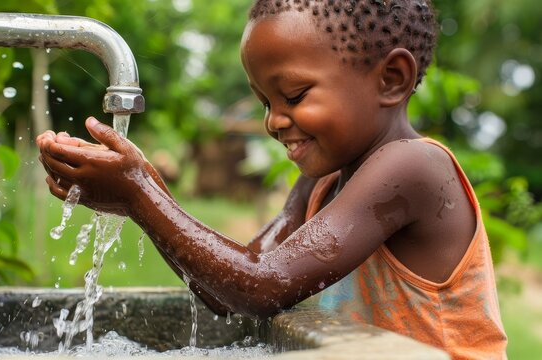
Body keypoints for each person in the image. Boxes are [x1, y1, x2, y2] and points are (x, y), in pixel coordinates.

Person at [37, 0, 507, 357]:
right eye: (266, 102)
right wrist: (140, 194)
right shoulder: (320, 184)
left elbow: (264, 286)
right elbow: (230, 292)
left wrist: (141, 195)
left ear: (391, 79)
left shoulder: (415, 168)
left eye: (294, 95)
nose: (274, 121)